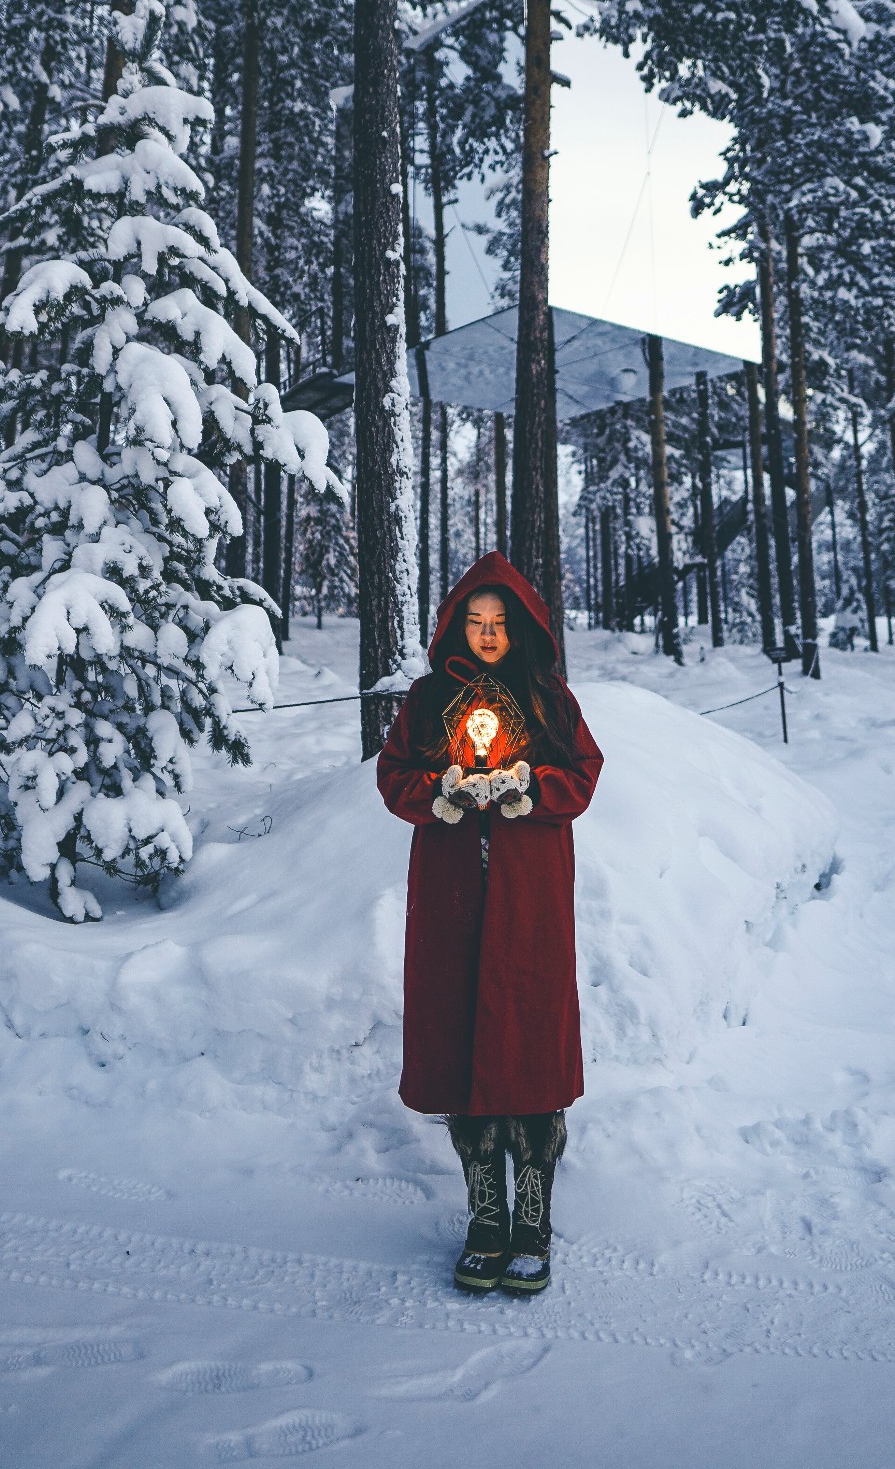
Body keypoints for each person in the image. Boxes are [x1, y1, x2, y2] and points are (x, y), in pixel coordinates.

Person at [377, 551, 603, 1295]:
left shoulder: (548, 698)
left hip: (529, 900)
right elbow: (395, 775)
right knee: (460, 1043)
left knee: (528, 1044)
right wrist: (436, 792)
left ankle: (532, 1218)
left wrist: (531, 787)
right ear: (455, 626)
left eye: (499, 623)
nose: (487, 634)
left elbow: (583, 774)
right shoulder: (427, 697)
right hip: (448, 902)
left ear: (523, 627)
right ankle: (486, 1215)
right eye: (474, 622)